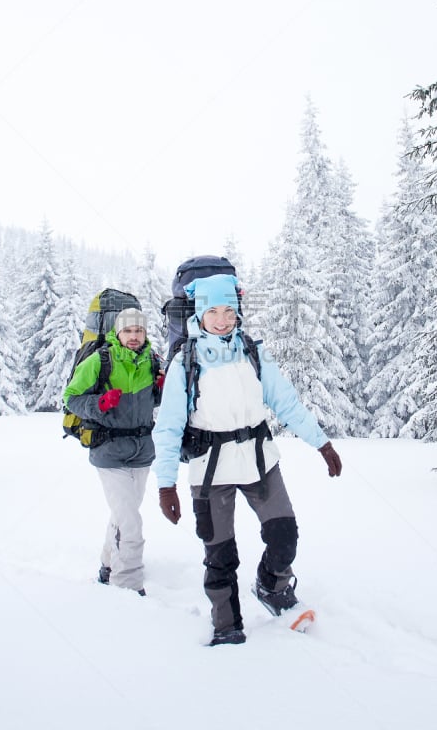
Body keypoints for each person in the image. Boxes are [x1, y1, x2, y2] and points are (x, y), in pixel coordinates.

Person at [152, 274, 342, 645]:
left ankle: (271, 587)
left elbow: (286, 402)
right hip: (210, 469)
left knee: (285, 536)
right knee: (220, 554)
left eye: (229, 311)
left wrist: (322, 444)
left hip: (259, 461)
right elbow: (169, 427)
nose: (223, 320)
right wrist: (165, 485)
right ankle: (226, 624)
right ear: (200, 314)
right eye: (214, 312)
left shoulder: (254, 352)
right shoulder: (185, 363)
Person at [63, 307, 162, 596]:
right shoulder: (100, 361)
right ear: (117, 333)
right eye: (128, 331)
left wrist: (160, 389)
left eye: (139, 330)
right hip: (108, 453)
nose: (134, 336)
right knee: (131, 522)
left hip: (142, 452)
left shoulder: (151, 362)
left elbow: (150, 403)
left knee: (123, 516)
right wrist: (100, 404)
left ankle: (108, 566)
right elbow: (70, 398)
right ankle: (127, 586)